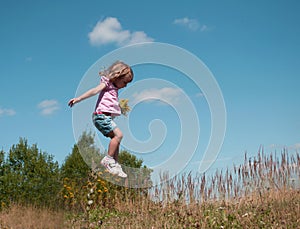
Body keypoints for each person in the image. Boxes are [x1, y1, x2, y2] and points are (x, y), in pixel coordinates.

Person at [68, 61, 134, 178]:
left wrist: (119, 108)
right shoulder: (107, 84)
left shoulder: (114, 89)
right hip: (100, 116)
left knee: (116, 140)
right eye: (124, 82)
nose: (125, 85)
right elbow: (94, 91)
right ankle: (108, 160)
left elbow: (109, 103)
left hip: (105, 117)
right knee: (119, 135)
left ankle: (114, 164)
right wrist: (78, 99)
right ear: (117, 77)